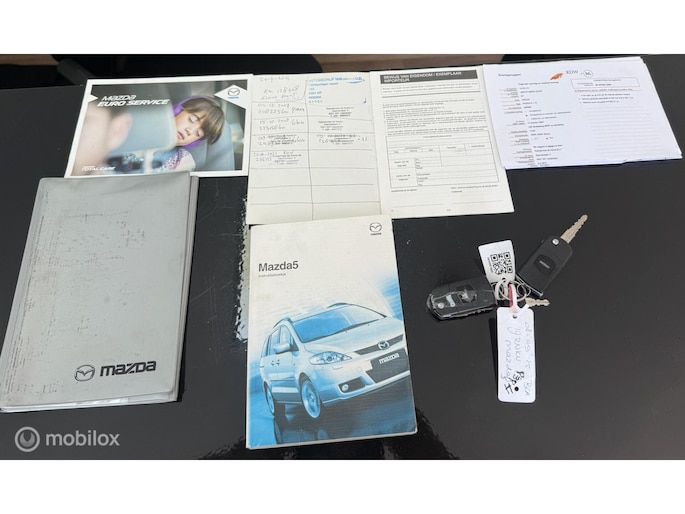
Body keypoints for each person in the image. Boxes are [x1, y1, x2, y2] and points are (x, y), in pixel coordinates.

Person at [114, 96, 225, 174]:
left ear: (194, 142)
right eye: (191, 120)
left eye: (198, 134)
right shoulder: (131, 128)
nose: (190, 131)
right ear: (177, 110)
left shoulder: (183, 161)